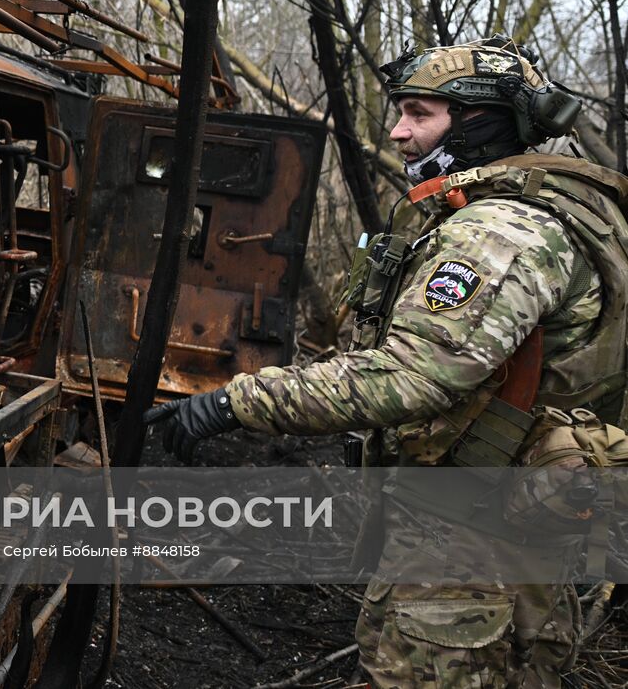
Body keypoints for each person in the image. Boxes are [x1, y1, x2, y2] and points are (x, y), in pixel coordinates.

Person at [147, 36, 628, 687]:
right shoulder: (538, 211)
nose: (398, 131)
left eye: (420, 113)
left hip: (475, 544)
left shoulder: (501, 233)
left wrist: (235, 402)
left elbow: (412, 376)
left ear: (484, 122)